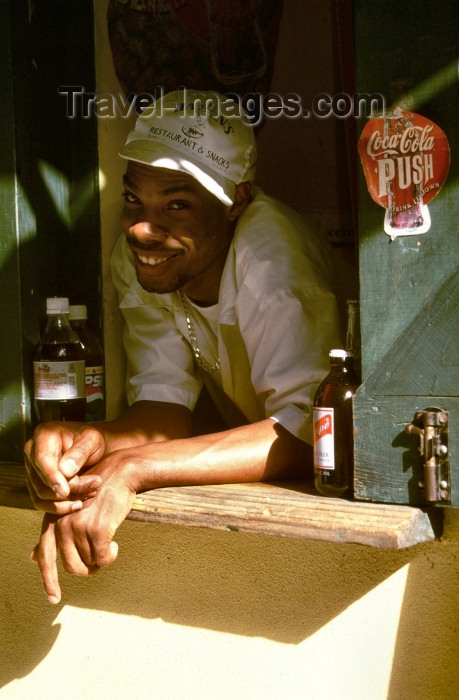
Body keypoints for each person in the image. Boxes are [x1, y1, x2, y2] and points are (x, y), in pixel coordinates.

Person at [25, 89, 346, 604]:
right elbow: (164, 409)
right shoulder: (144, 257)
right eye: (135, 199)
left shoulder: (272, 260)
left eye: (177, 204)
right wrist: (85, 445)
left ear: (234, 201)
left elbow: (309, 435)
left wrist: (134, 468)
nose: (143, 229)